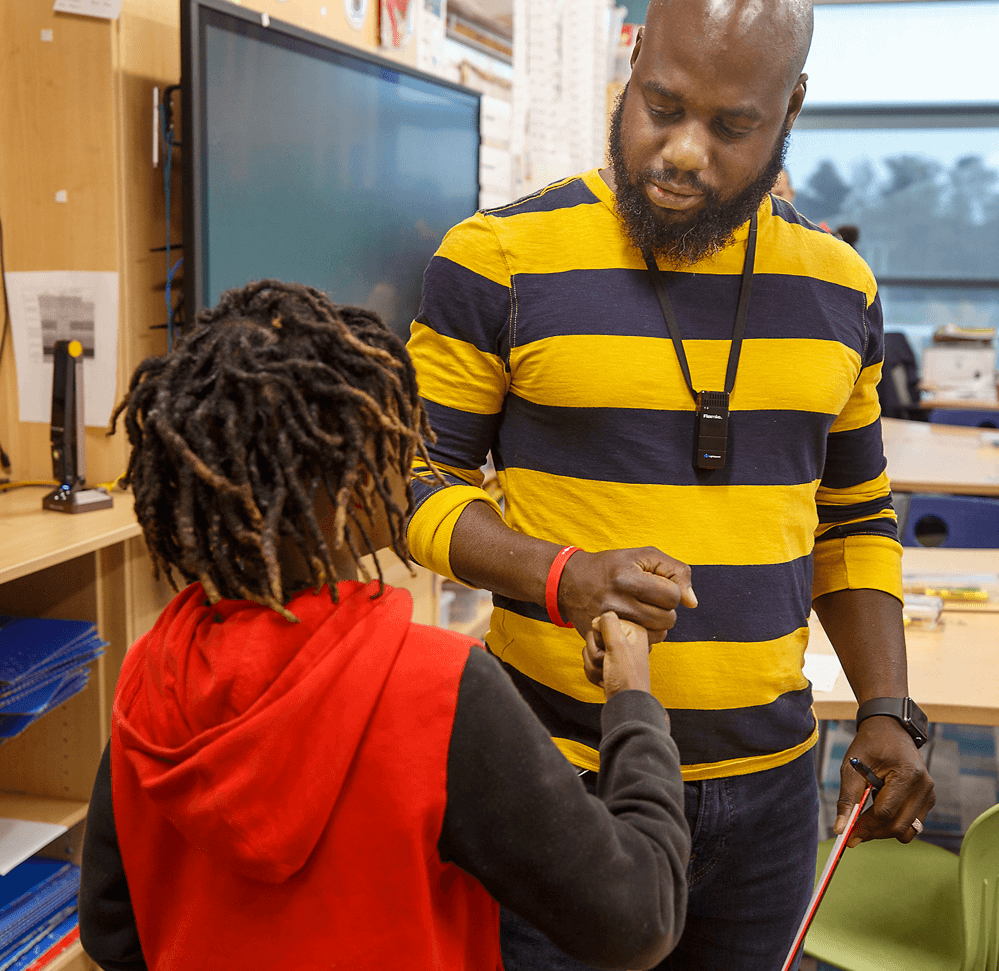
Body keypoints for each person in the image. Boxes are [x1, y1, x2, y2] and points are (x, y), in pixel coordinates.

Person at [404, 0, 935, 966]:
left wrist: (886, 707)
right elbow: (413, 488)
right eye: (662, 108)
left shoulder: (840, 290)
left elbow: (855, 521)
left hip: (773, 791)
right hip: (555, 776)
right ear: (633, 59)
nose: (682, 153)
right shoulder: (496, 261)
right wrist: (560, 577)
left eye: (731, 125)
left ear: (792, 110)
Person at [78, 281, 689, 971]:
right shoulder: (440, 688)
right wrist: (634, 699)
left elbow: (112, 933)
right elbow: (637, 919)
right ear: (352, 485)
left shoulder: (151, 671)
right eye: (393, 442)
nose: (409, 462)